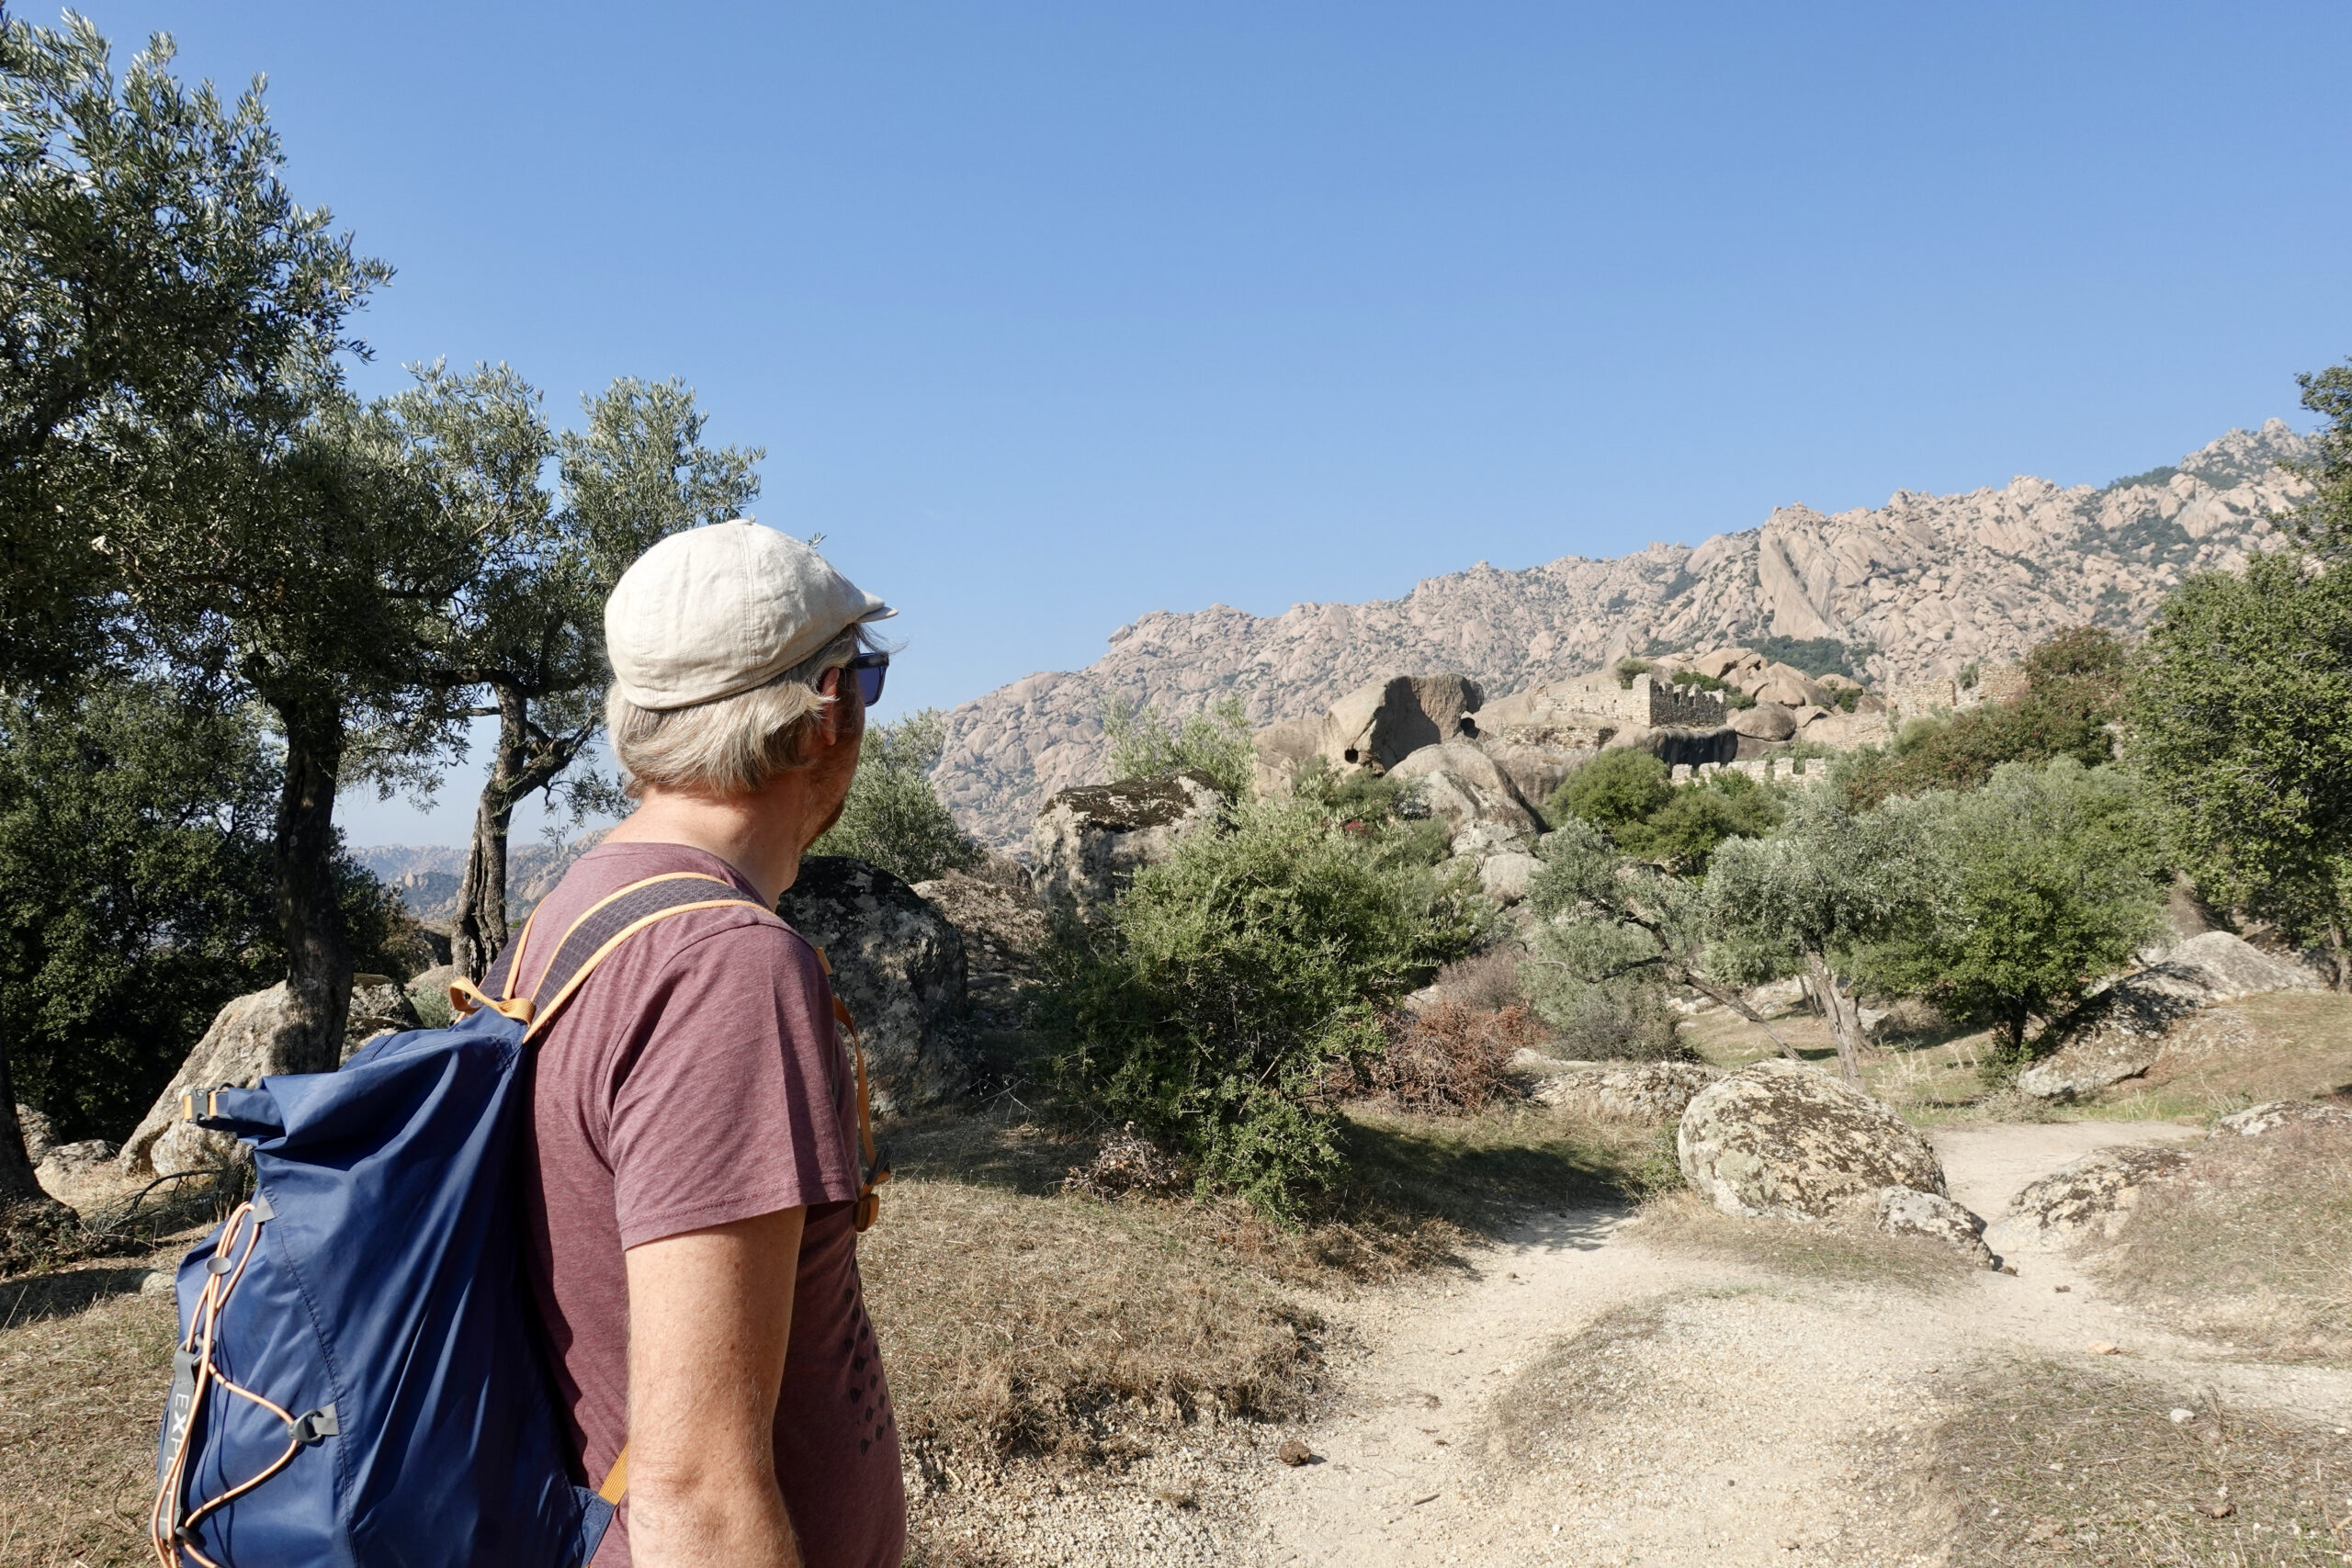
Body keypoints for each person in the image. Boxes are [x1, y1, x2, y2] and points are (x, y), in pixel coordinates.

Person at [514, 519, 905, 1568]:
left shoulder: (584, 904)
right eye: (864, 680)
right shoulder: (725, 968)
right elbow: (697, 1489)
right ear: (830, 710)